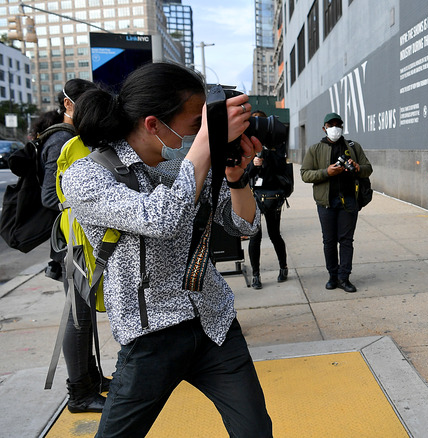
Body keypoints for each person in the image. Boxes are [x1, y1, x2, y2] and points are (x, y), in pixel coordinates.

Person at [62, 62, 273, 437]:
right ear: (153, 124)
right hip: (151, 336)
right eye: (196, 125)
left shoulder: (185, 165)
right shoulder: (87, 175)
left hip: (213, 322)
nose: (198, 135)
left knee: (255, 430)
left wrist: (237, 179)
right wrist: (206, 146)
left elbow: (244, 225)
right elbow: (160, 220)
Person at [40, 79, 111, 414]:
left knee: (85, 314)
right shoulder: (62, 140)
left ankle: (92, 378)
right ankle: (78, 393)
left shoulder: (81, 138)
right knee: (77, 316)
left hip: (84, 241)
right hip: (72, 246)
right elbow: (50, 196)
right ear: (69, 105)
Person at [301, 112, 372, 293]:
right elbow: (305, 174)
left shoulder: (353, 147)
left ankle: (344, 277)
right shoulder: (315, 149)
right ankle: (332, 276)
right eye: (331, 125)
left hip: (349, 200)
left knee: (346, 240)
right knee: (329, 241)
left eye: (337, 125)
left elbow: (368, 168)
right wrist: (326, 172)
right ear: (324, 128)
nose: (334, 128)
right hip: (326, 202)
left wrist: (357, 167)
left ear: (342, 127)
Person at [245, 110, 289, 289]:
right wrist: (254, 164)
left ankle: (283, 267)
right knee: (255, 236)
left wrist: (266, 155)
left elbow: (281, 167)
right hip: (253, 195)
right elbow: (245, 174)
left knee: (274, 234)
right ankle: (256, 274)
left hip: (272, 194)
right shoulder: (246, 144)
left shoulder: (276, 144)